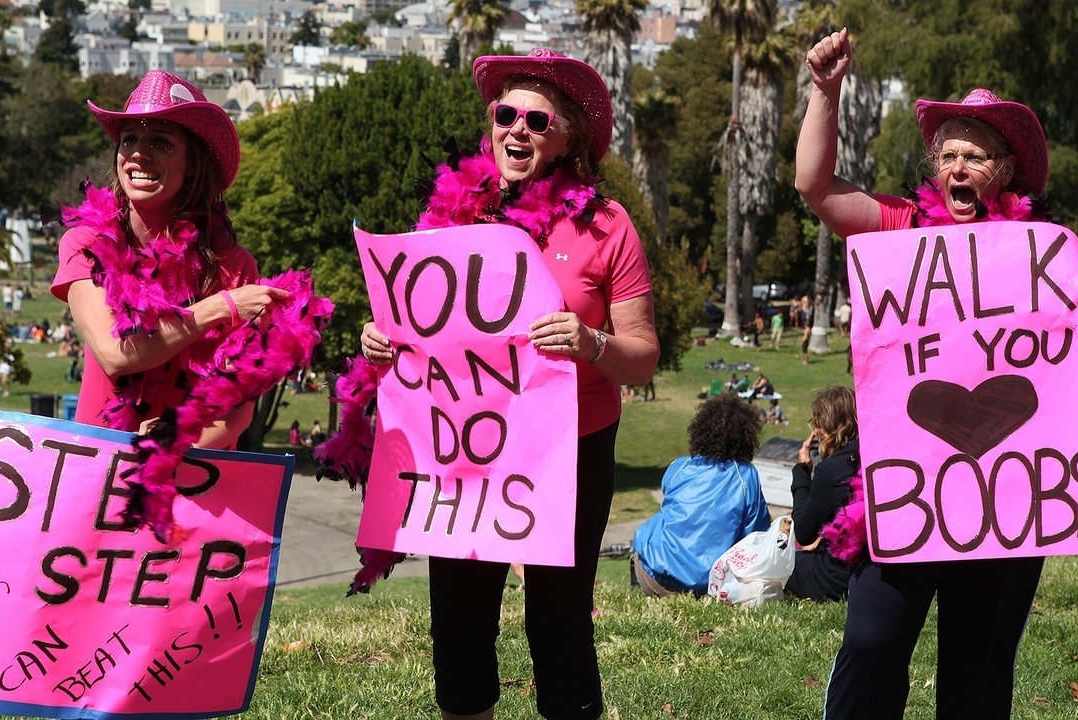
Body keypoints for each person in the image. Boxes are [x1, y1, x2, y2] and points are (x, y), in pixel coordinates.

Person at [795, 29, 1078, 719]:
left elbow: (1066, 361)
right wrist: (826, 90)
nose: (960, 166)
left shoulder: (1046, 254)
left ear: (1007, 171)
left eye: (977, 155)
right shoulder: (900, 229)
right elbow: (815, 187)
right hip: (908, 486)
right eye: (949, 155)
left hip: (1002, 494)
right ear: (936, 168)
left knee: (976, 671)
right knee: (874, 639)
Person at [359, 48, 659, 720]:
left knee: (558, 622)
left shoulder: (606, 226)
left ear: (570, 136)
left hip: (570, 448)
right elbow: (414, 328)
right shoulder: (448, 218)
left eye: (537, 120)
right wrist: (381, 341)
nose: (518, 130)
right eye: (506, 114)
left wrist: (591, 342)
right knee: (459, 623)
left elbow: (642, 356)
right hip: (466, 445)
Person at [51, 70, 289, 450]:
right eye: (129, 140)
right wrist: (220, 307)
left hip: (194, 486)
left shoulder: (233, 266)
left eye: (161, 143)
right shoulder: (86, 243)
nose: (139, 154)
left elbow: (240, 404)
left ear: (193, 164)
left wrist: (180, 443)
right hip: (95, 473)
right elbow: (116, 355)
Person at [630, 394, 770, 597]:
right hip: (706, 585)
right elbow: (757, 534)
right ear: (747, 438)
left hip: (650, 575)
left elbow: (670, 500)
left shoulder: (680, 466)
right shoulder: (746, 476)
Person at [785, 387, 858, 602]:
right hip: (869, 571)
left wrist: (802, 473)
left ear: (826, 427)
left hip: (836, 577)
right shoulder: (873, 458)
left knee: (783, 565)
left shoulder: (830, 471)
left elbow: (804, 532)